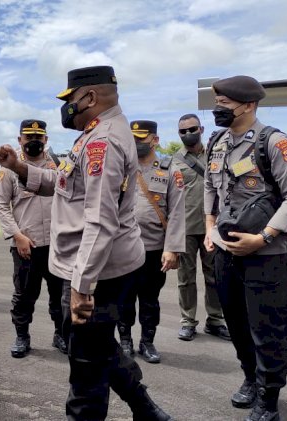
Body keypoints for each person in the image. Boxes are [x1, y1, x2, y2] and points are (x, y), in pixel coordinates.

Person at [0, 65, 171, 421]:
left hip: (96, 269)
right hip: (97, 263)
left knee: (86, 365)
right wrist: (18, 167)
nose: (68, 107)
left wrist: (82, 285)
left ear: (89, 97)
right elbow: (64, 183)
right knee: (97, 345)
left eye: (71, 99)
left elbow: (100, 218)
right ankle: (145, 408)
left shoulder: (102, 142)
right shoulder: (95, 133)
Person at [204, 76, 287, 421]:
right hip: (225, 251)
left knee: (267, 329)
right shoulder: (217, 141)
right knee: (236, 324)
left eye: (224, 104)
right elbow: (210, 185)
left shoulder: (274, 142)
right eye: (217, 102)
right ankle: (251, 378)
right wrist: (209, 225)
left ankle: (269, 398)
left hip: (266, 253)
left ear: (248, 105)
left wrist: (263, 237)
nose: (218, 109)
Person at [0, 119, 67, 358]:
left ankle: (61, 335)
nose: (33, 142)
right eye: (28, 137)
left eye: (39, 137)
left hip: (57, 245)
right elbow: (2, 206)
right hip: (27, 244)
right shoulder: (9, 168)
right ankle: (22, 336)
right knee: (24, 295)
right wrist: (17, 236)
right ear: (19, 140)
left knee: (59, 295)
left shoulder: (58, 166)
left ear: (46, 140)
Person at [117, 120, 185, 364]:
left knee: (149, 300)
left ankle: (148, 342)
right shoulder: (122, 168)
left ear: (154, 140)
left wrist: (172, 249)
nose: (135, 144)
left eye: (140, 139)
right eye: (132, 139)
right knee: (124, 299)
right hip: (124, 248)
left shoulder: (170, 170)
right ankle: (125, 341)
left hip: (155, 249)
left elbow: (177, 213)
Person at [172, 114, 229, 342]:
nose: (188, 134)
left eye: (192, 129)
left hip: (212, 228)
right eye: (183, 131)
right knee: (185, 279)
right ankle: (187, 321)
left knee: (214, 277)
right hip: (185, 229)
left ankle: (215, 320)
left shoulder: (217, 156)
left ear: (201, 129)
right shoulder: (173, 161)